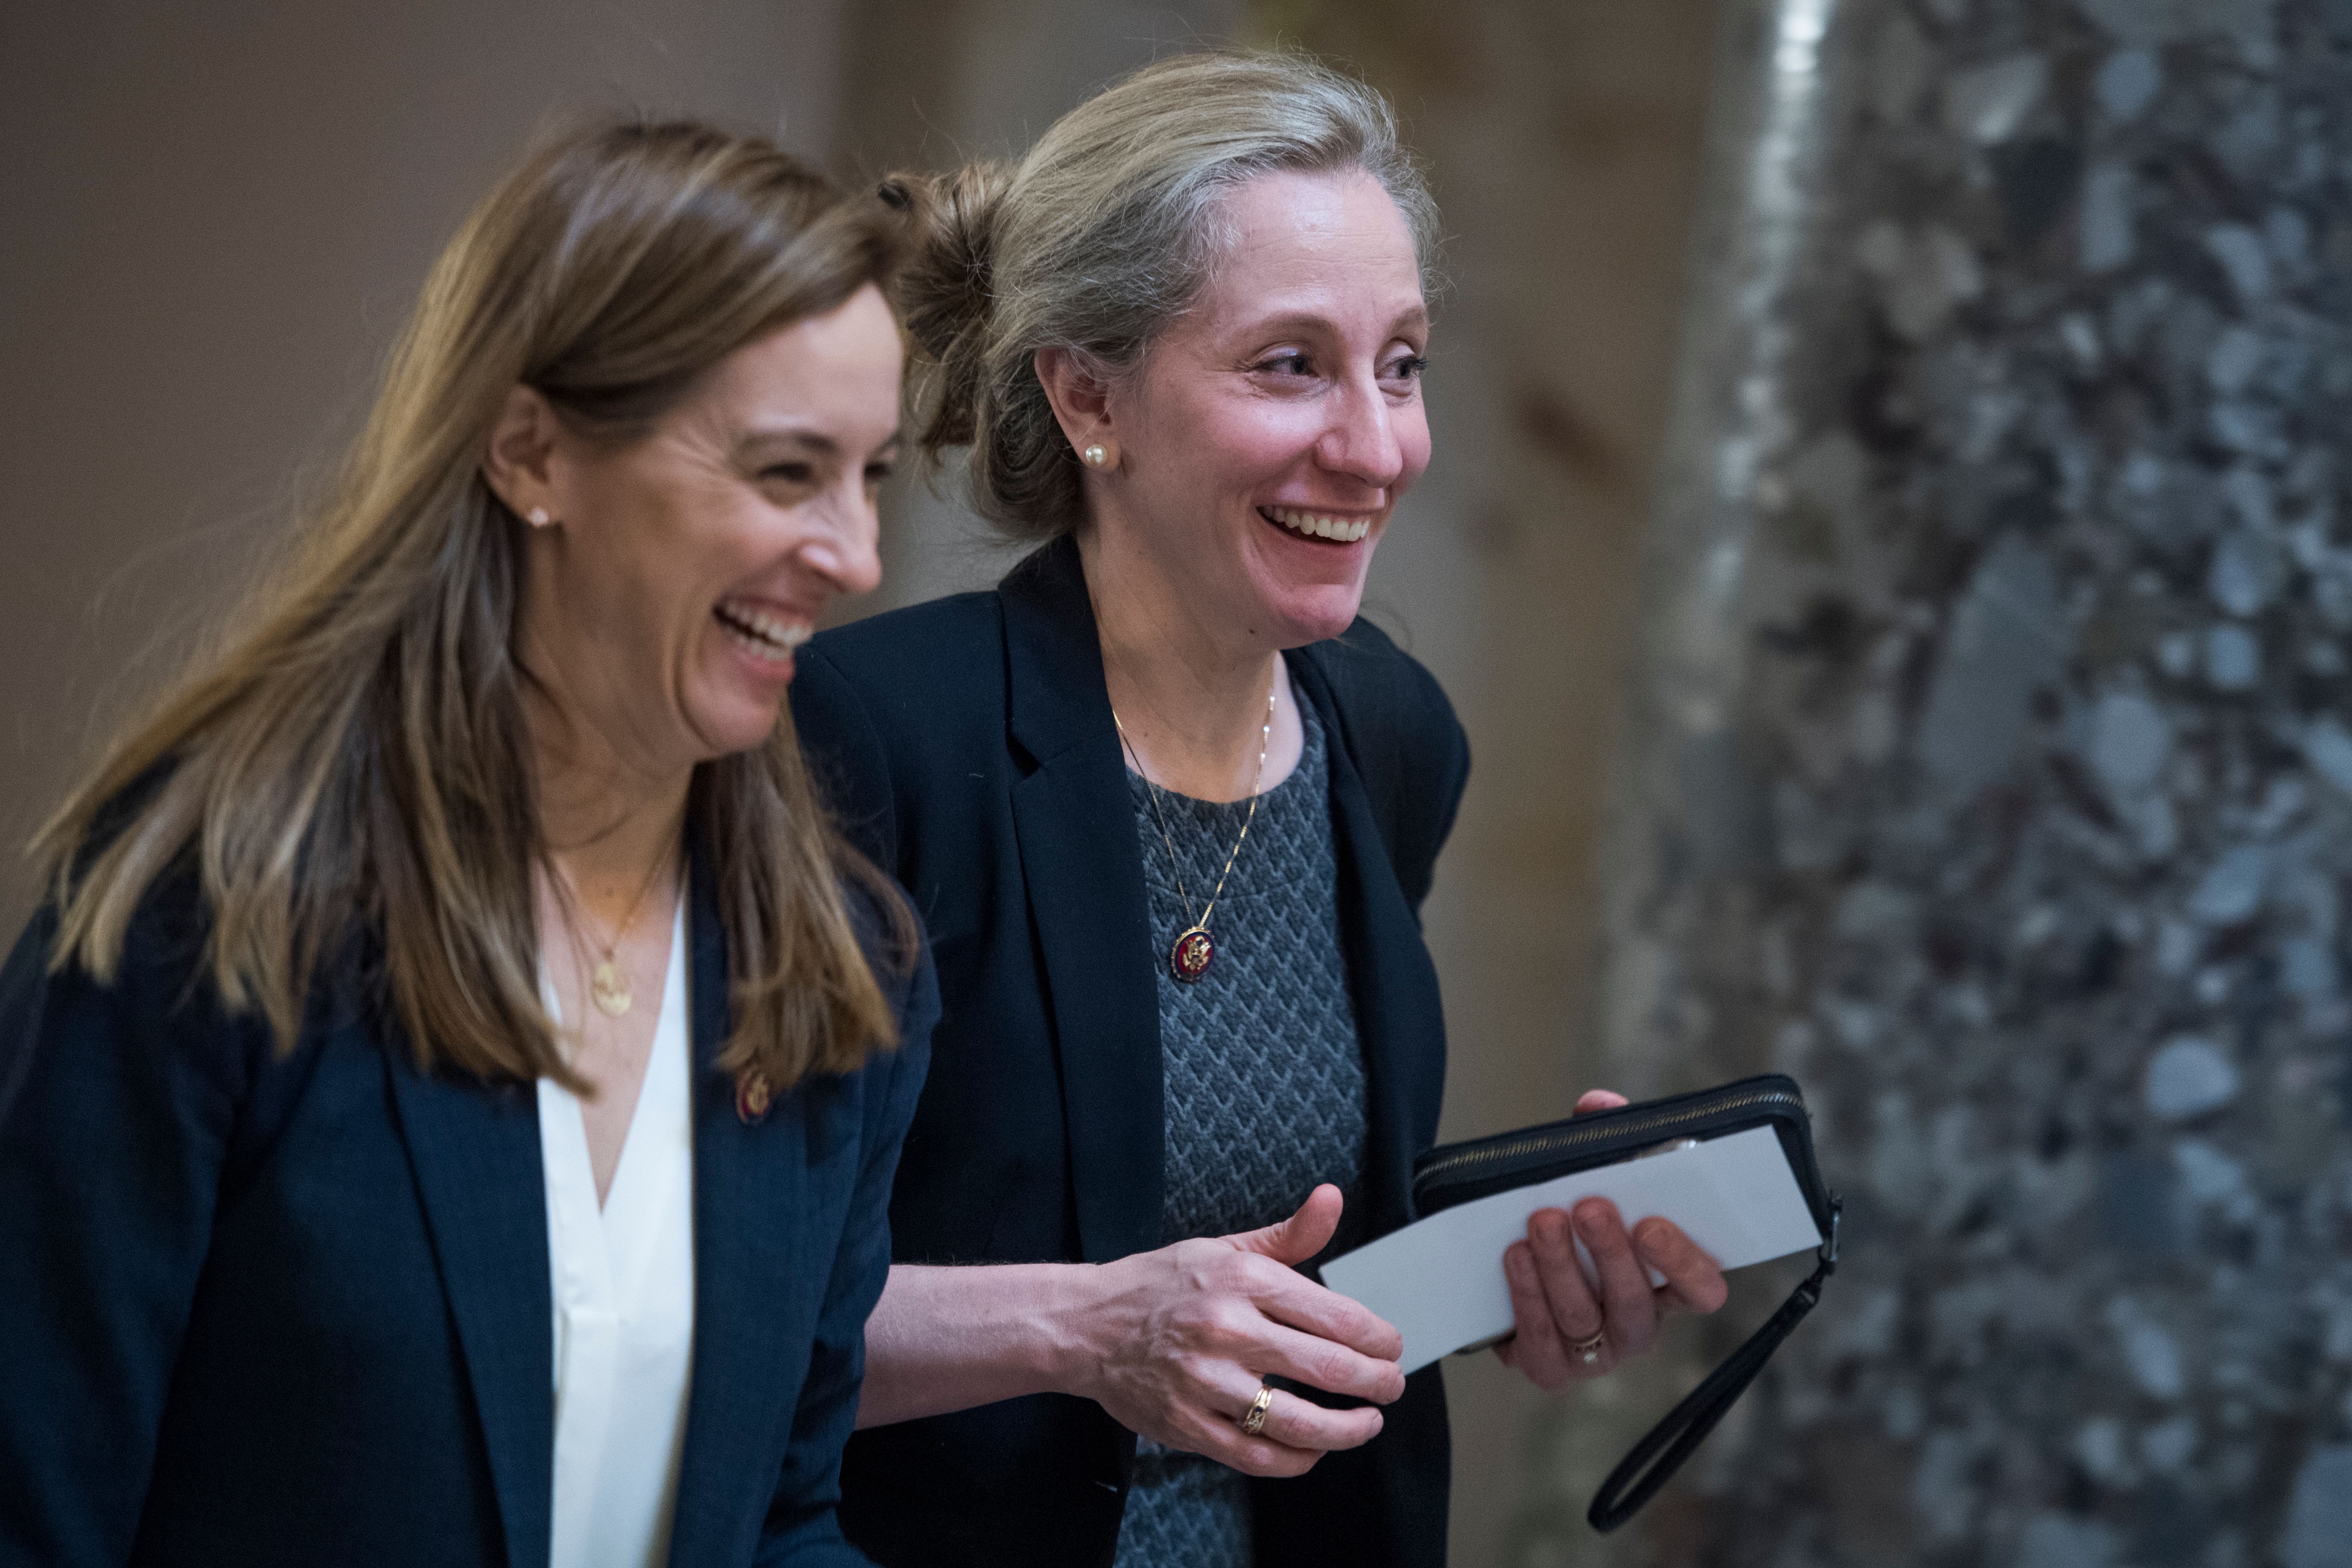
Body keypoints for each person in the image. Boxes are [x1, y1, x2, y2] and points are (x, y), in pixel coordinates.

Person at [787, 52, 1730, 1568]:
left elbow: (1297, 1280)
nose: (1374, 448)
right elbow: (726, 1305)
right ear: (1086, 394)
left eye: (1402, 362)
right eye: (1289, 364)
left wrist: (1498, 1285)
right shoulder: (875, 735)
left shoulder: (1391, 733)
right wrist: (1087, 1327)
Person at [0, 120, 933, 1568]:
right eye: (785, 470)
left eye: (869, 476)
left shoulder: (833, 968)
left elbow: (779, 1521)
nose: (856, 554)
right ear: (529, 450)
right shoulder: (226, 902)